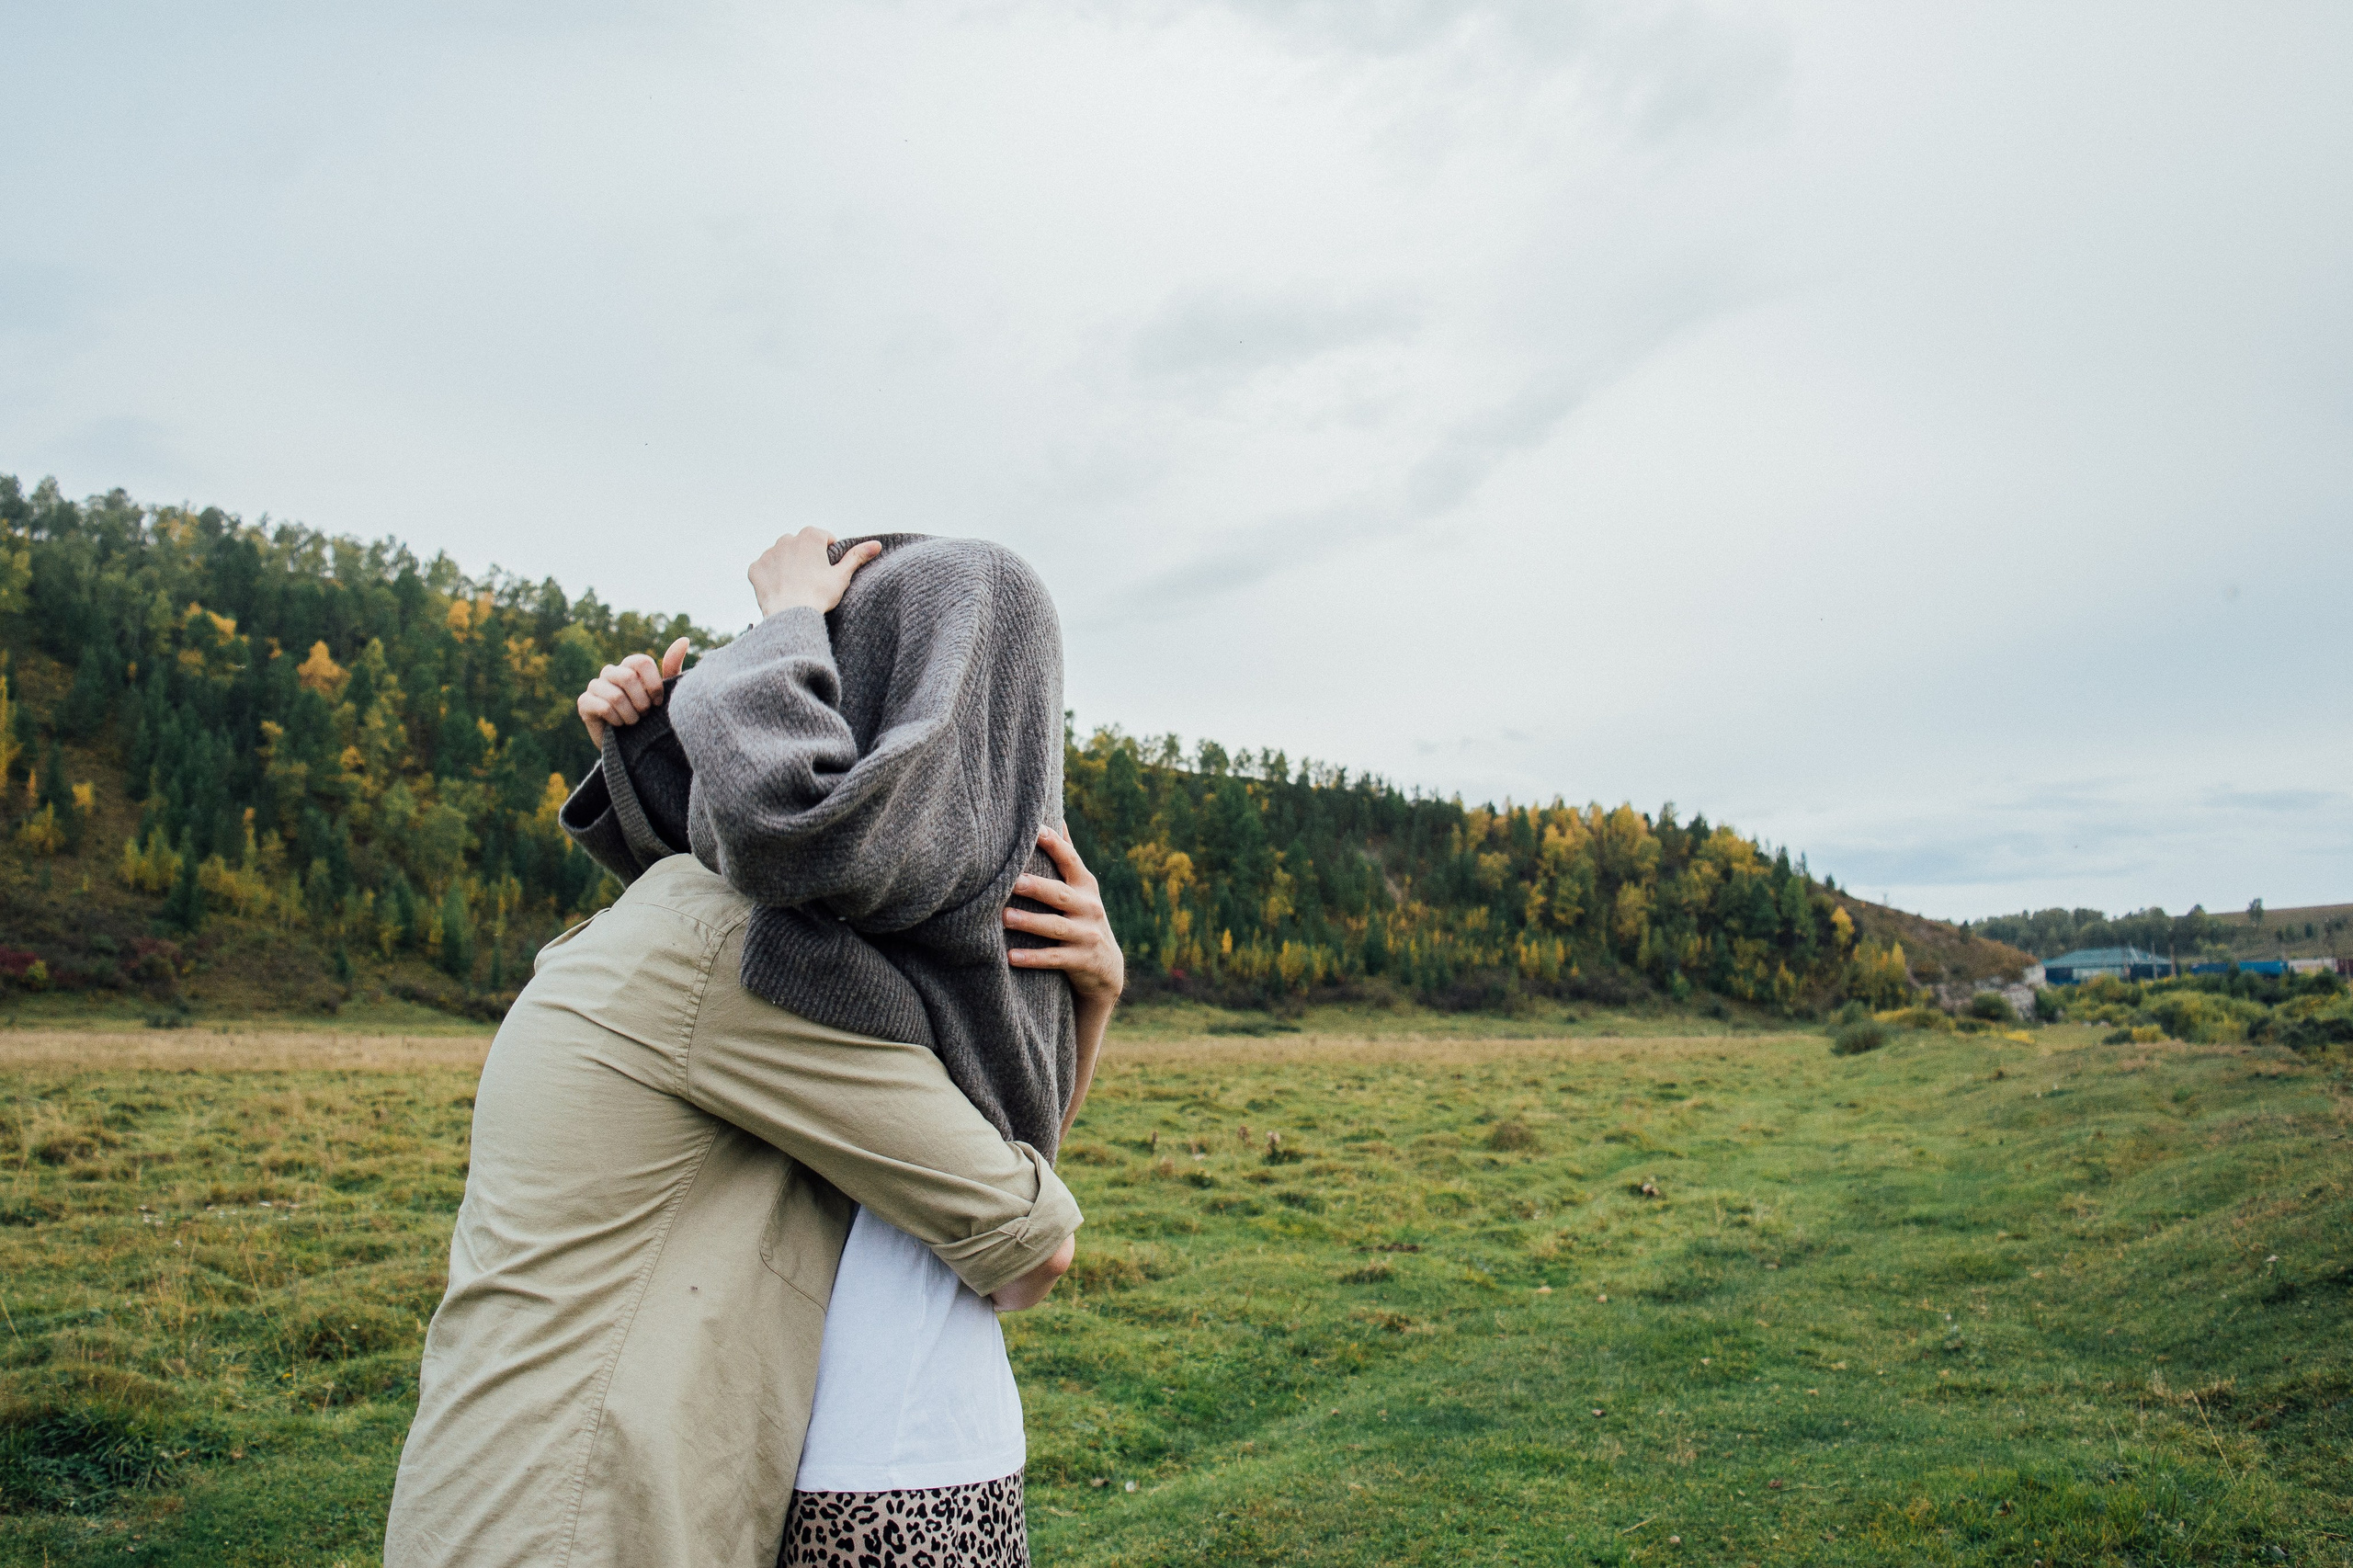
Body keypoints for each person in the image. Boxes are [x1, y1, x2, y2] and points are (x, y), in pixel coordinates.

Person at [382, 530, 1123, 1568]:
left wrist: (1092, 994)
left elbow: (987, 1152)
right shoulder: (735, 957)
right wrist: (779, 634)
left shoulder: (692, 928)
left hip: (520, 1497)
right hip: (576, 1522)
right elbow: (1028, 1241)